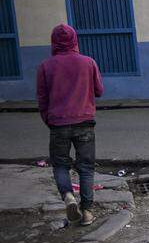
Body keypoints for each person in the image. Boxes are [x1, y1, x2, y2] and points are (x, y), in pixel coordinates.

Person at [37, 24, 103, 227]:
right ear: (75, 40)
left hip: (58, 124)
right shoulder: (88, 62)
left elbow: (42, 99)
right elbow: (99, 91)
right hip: (85, 122)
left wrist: (49, 120)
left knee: (60, 165)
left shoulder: (45, 66)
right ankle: (88, 212)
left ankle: (68, 197)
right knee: (86, 167)